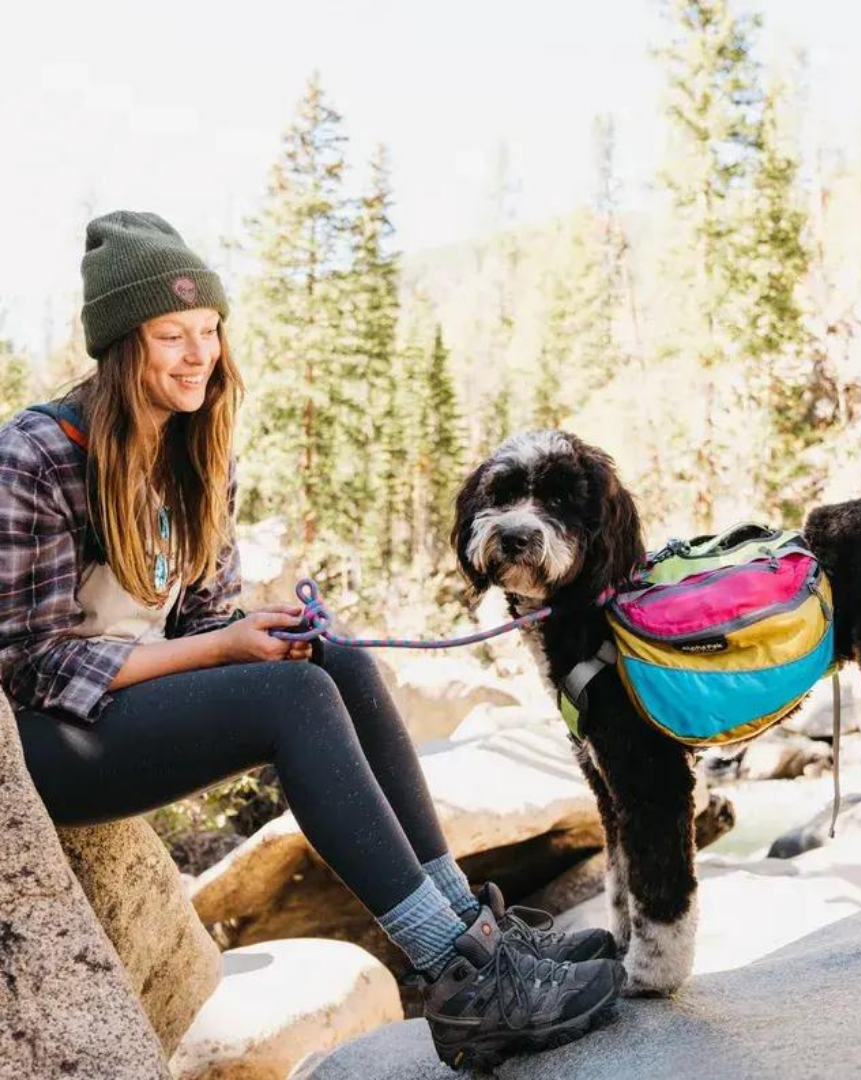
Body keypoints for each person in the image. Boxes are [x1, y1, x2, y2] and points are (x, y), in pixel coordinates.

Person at [0, 211, 623, 1070]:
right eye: (169, 335)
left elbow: (203, 623)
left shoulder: (197, 451)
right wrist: (222, 653)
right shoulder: (36, 455)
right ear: (118, 347)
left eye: (209, 330)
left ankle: (472, 934)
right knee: (287, 695)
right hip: (44, 745)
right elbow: (28, 667)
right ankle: (458, 978)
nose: (197, 354)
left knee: (336, 663)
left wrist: (259, 633)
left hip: (126, 709)